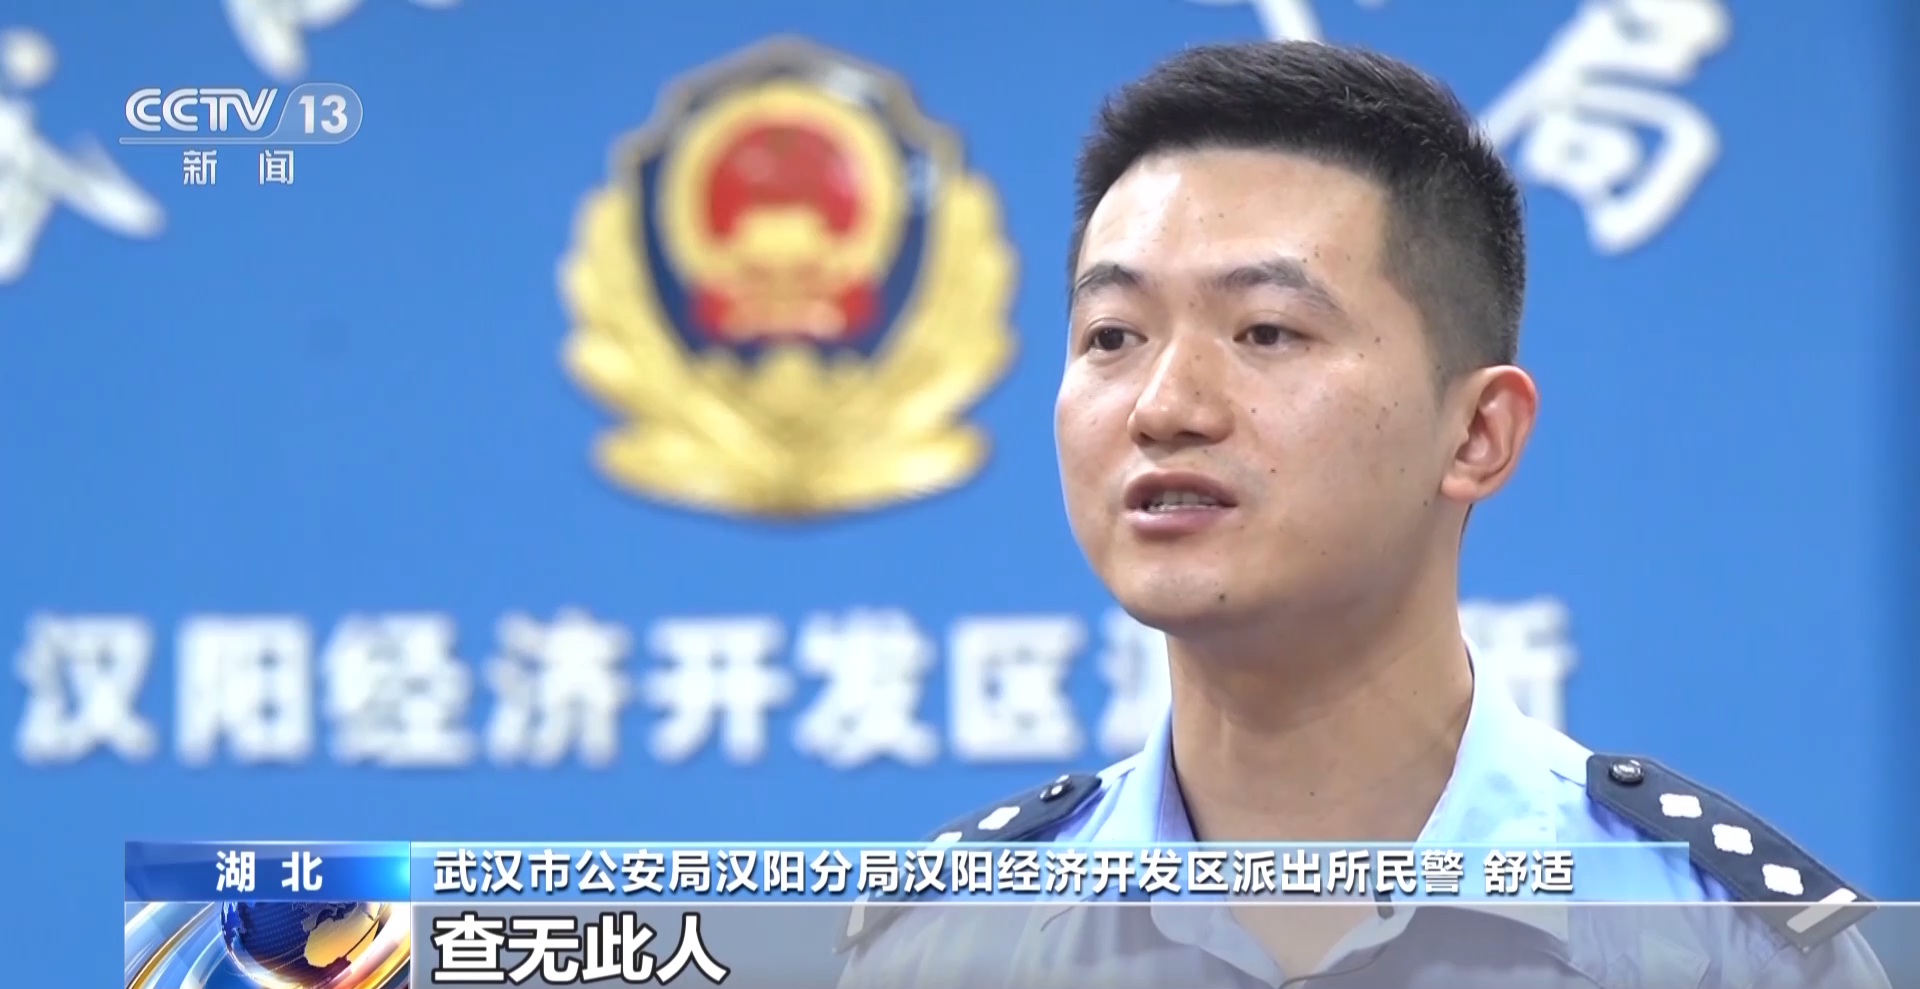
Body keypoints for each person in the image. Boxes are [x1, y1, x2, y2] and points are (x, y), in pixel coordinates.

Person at [832, 40, 1893, 989]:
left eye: (1266, 331)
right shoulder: (943, 945)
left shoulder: (1724, 948)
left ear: (1477, 433)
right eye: (1113, 335)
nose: (1165, 405)